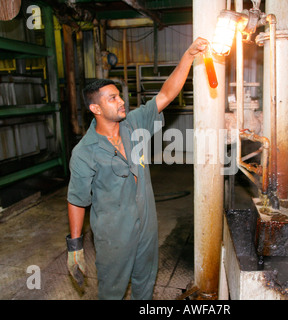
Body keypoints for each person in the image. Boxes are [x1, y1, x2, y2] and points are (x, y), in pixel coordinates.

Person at [65, 37, 209, 300]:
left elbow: (166, 94)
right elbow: (77, 200)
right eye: (112, 99)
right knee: (113, 291)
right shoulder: (85, 152)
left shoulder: (133, 124)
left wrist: (188, 56)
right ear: (95, 108)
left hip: (147, 228)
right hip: (114, 236)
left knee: (145, 286)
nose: (121, 101)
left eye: (119, 96)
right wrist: (75, 246)